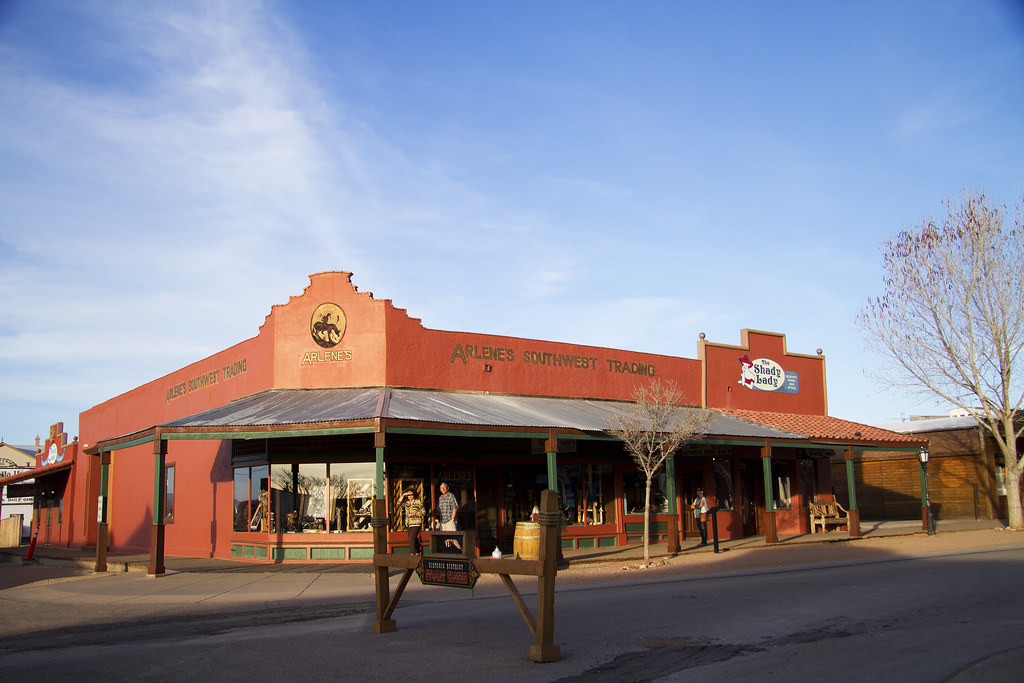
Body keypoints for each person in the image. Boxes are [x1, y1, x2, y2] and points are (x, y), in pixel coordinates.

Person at [401, 488, 426, 554]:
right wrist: (403, 495)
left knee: (412, 538)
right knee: (413, 539)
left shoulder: (418, 502)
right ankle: (417, 552)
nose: (410, 496)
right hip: (409, 523)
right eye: (408, 495)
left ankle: (412, 553)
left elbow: (423, 512)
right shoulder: (407, 503)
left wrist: (414, 514)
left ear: (414, 495)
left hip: (416, 523)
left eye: (411, 495)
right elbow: (398, 503)